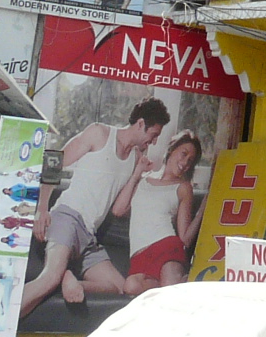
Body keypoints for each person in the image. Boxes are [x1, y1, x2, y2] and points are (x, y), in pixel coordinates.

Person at [22, 98, 168, 318]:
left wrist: (137, 174)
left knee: (120, 288)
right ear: (140, 124)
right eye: (153, 134)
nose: (154, 142)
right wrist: (41, 208)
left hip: (88, 235)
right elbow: (55, 161)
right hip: (67, 217)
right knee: (49, 278)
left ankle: (69, 278)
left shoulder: (135, 159)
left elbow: (118, 210)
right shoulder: (99, 134)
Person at [113, 129, 202, 294]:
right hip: (140, 255)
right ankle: (185, 282)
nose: (185, 162)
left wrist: (203, 209)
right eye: (184, 154)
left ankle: (178, 284)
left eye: (191, 160)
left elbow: (185, 238)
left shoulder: (183, 187)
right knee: (131, 286)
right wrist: (136, 174)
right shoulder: (144, 179)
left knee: (169, 288)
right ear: (171, 150)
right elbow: (118, 210)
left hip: (167, 247)